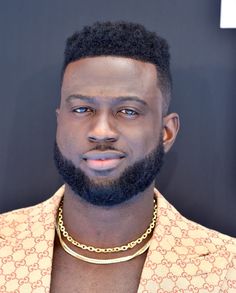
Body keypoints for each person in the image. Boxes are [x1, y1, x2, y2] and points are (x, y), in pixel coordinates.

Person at [0, 21, 235, 293]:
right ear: (59, 123)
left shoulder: (227, 269)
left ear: (166, 132)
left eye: (128, 111)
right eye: (82, 109)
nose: (101, 131)